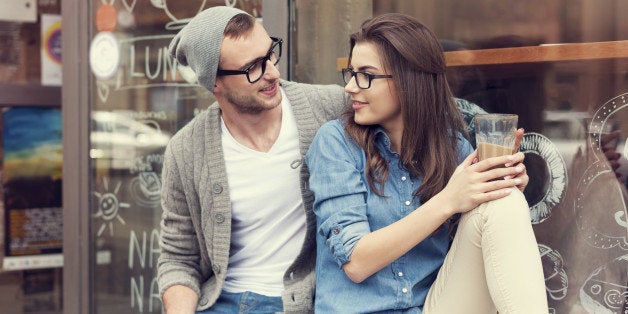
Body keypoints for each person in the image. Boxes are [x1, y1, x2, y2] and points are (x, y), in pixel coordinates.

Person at [306, 13, 548, 313]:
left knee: (505, 201)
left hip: (434, 306)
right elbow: (356, 262)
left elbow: (480, 234)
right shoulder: (336, 143)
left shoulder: (452, 147)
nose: (351, 87)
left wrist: (499, 184)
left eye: (366, 75)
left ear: (409, 79)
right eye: (351, 73)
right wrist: (450, 199)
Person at [156, 6, 348, 313]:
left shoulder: (328, 107)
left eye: (270, 54)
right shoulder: (186, 150)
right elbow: (178, 258)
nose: (272, 72)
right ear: (214, 83)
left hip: (301, 301)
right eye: (253, 67)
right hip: (221, 301)